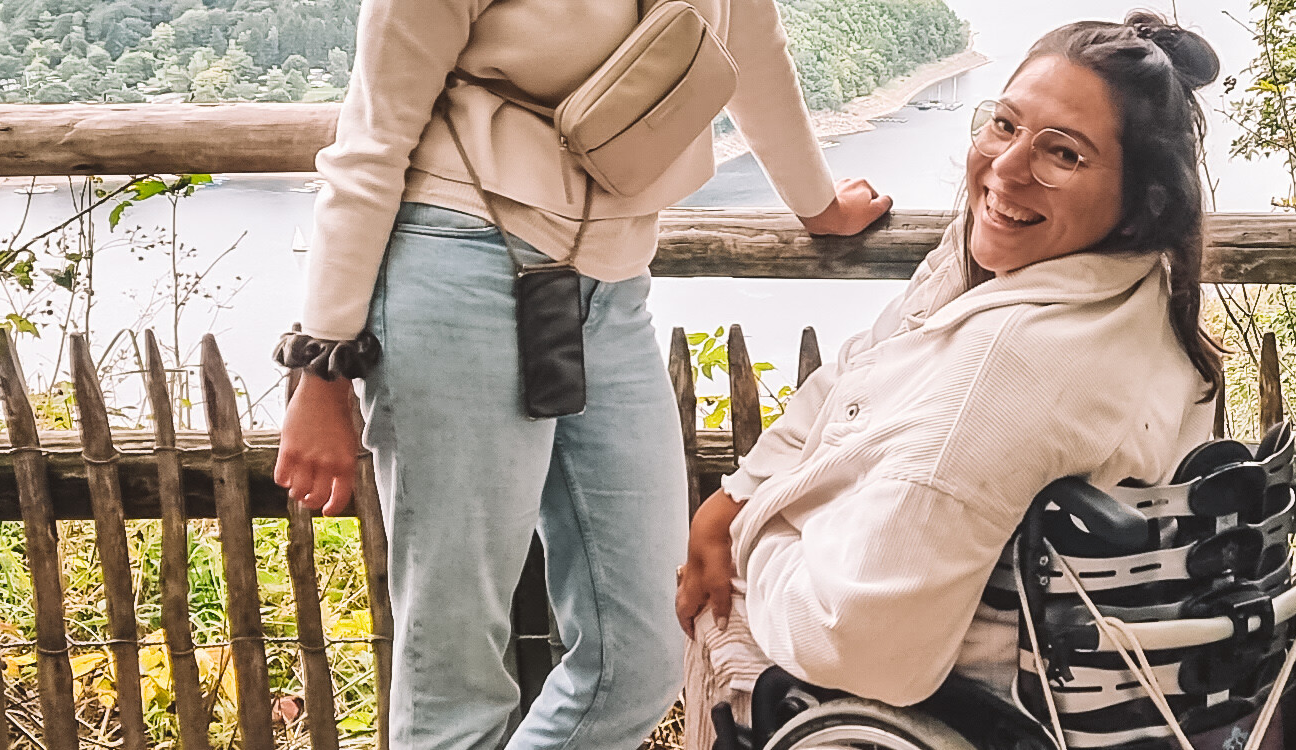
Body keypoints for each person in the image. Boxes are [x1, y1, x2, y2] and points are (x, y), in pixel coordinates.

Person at [266, 0, 894, 746]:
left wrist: (817, 205)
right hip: (458, 265)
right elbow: (370, 143)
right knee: (455, 676)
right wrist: (324, 368)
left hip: (612, 288)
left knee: (643, 655)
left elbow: (746, 49)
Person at [672, 11, 1225, 743]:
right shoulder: (1126, 284)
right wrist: (736, 495)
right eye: (1003, 124)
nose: (1005, 169)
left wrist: (761, 535)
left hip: (918, 712)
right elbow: (862, 362)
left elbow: (861, 648)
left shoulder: (1008, 366)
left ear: (1140, 199)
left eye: (1063, 154)